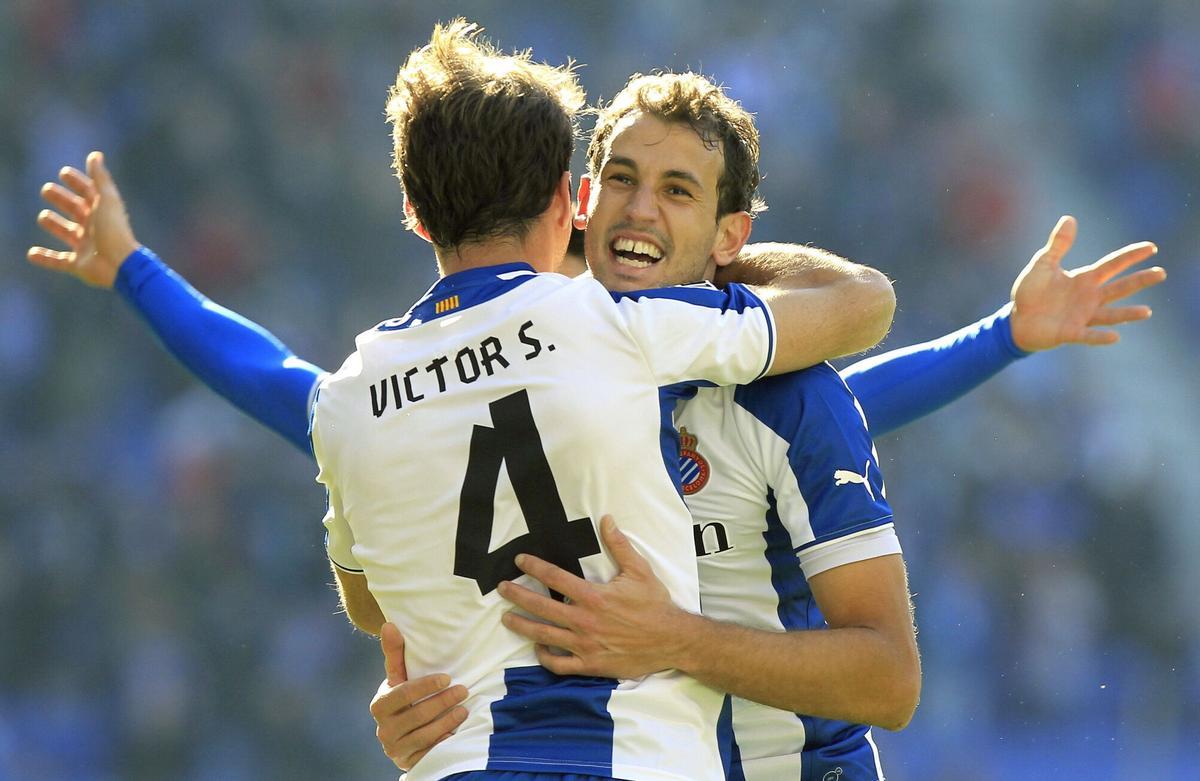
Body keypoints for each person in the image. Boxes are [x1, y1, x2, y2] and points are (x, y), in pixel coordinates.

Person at [30, 70, 1162, 781]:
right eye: (620, 176)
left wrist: (1001, 340)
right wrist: (420, 691)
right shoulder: (591, 353)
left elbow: (864, 394)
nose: (637, 206)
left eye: (679, 191)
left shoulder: (752, 380)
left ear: (730, 233)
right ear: (578, 202)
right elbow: (282, 392)